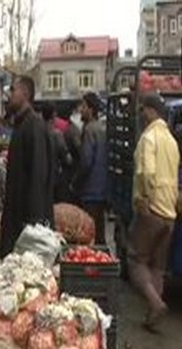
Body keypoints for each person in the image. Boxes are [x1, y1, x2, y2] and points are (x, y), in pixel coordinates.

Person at [128, 93, 180, 331]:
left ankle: (155, 303)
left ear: (150, 111)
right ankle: (153, 314)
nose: (141, 115)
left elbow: (146, 173)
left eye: (143, 110)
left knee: (137, 261)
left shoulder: (149, 138)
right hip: (170, 212)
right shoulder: (171, 140)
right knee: (158, 266)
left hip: (152, 211)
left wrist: (144, 200)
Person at [0, 75, 55, 257]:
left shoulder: (34, 126)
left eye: (13, 90)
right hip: (17, 219)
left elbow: (39, 176)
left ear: (24, 93)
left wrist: (34, 223)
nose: (9, 95)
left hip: (27, 224)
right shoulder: (21, 124)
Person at [71, 92, 108, 244]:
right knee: (99, 233)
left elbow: (86, 161)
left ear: (91, 110)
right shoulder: (100, 128)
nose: (81, 110)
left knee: (89, 234)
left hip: (90, 189)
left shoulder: (89, 130)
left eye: (84, 106)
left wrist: (75, 182)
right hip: (101, 189)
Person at [42, 102, 73, 203]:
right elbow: (67, 159)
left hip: (40, 179)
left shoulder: (37, 133)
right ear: (54, 114)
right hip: (55, 180)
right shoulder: (57, 135)